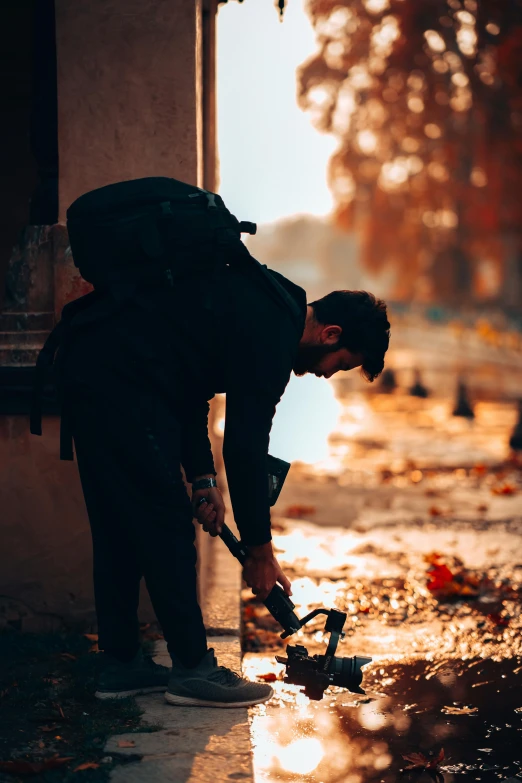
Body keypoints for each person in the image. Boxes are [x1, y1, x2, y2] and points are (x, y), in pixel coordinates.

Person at [55, 260, 390, 708]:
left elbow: (189, 386)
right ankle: (194, 671)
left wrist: (202, 477)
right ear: (331, 334)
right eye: (341, 364)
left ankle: (121, 665)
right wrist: (260, 552)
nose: (328, 374)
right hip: (122, 387)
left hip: (97, 375)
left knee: (120, 530)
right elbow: (246, 448)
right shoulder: (273, 334)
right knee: (167, 528)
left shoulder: (268, 304)